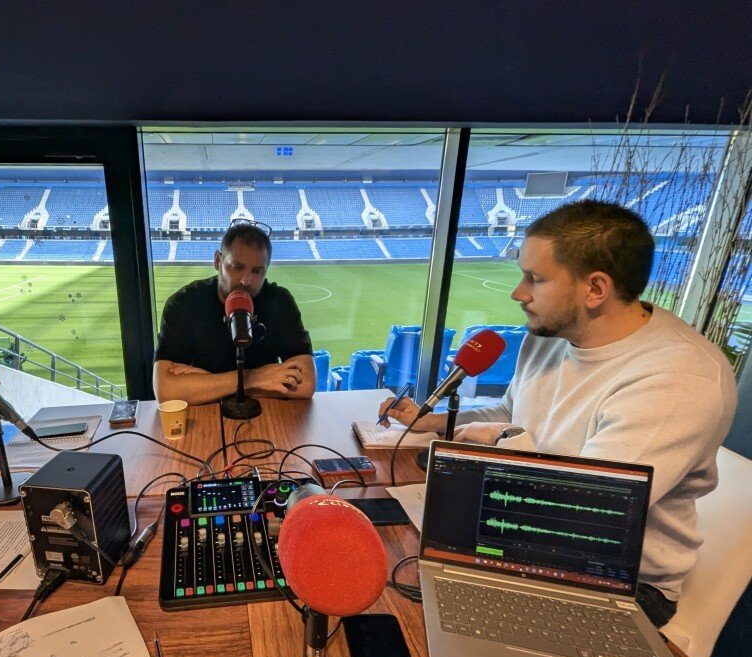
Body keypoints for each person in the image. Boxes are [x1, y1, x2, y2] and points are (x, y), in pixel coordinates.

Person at [381, 200, 737, 627]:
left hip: (611, 577)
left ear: (595, 289)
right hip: (516, 530)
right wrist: (434, 422)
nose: (518, 292)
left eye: (536, 279)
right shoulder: (551, 335)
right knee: (388, 568)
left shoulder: (679, 378)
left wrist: (498, 438)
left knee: (411, 617)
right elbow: (514, 412)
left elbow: (583, 509)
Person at [153, 222, 316, 404]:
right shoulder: (184, 303)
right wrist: (257, 378)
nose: (246, 281)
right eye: (237, 267)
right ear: (218, 261)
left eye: (256, 271)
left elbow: (307, 383)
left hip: (264, 416)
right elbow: (165, 390)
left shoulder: (279, 302)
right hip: (205, 420)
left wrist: (206, 383)